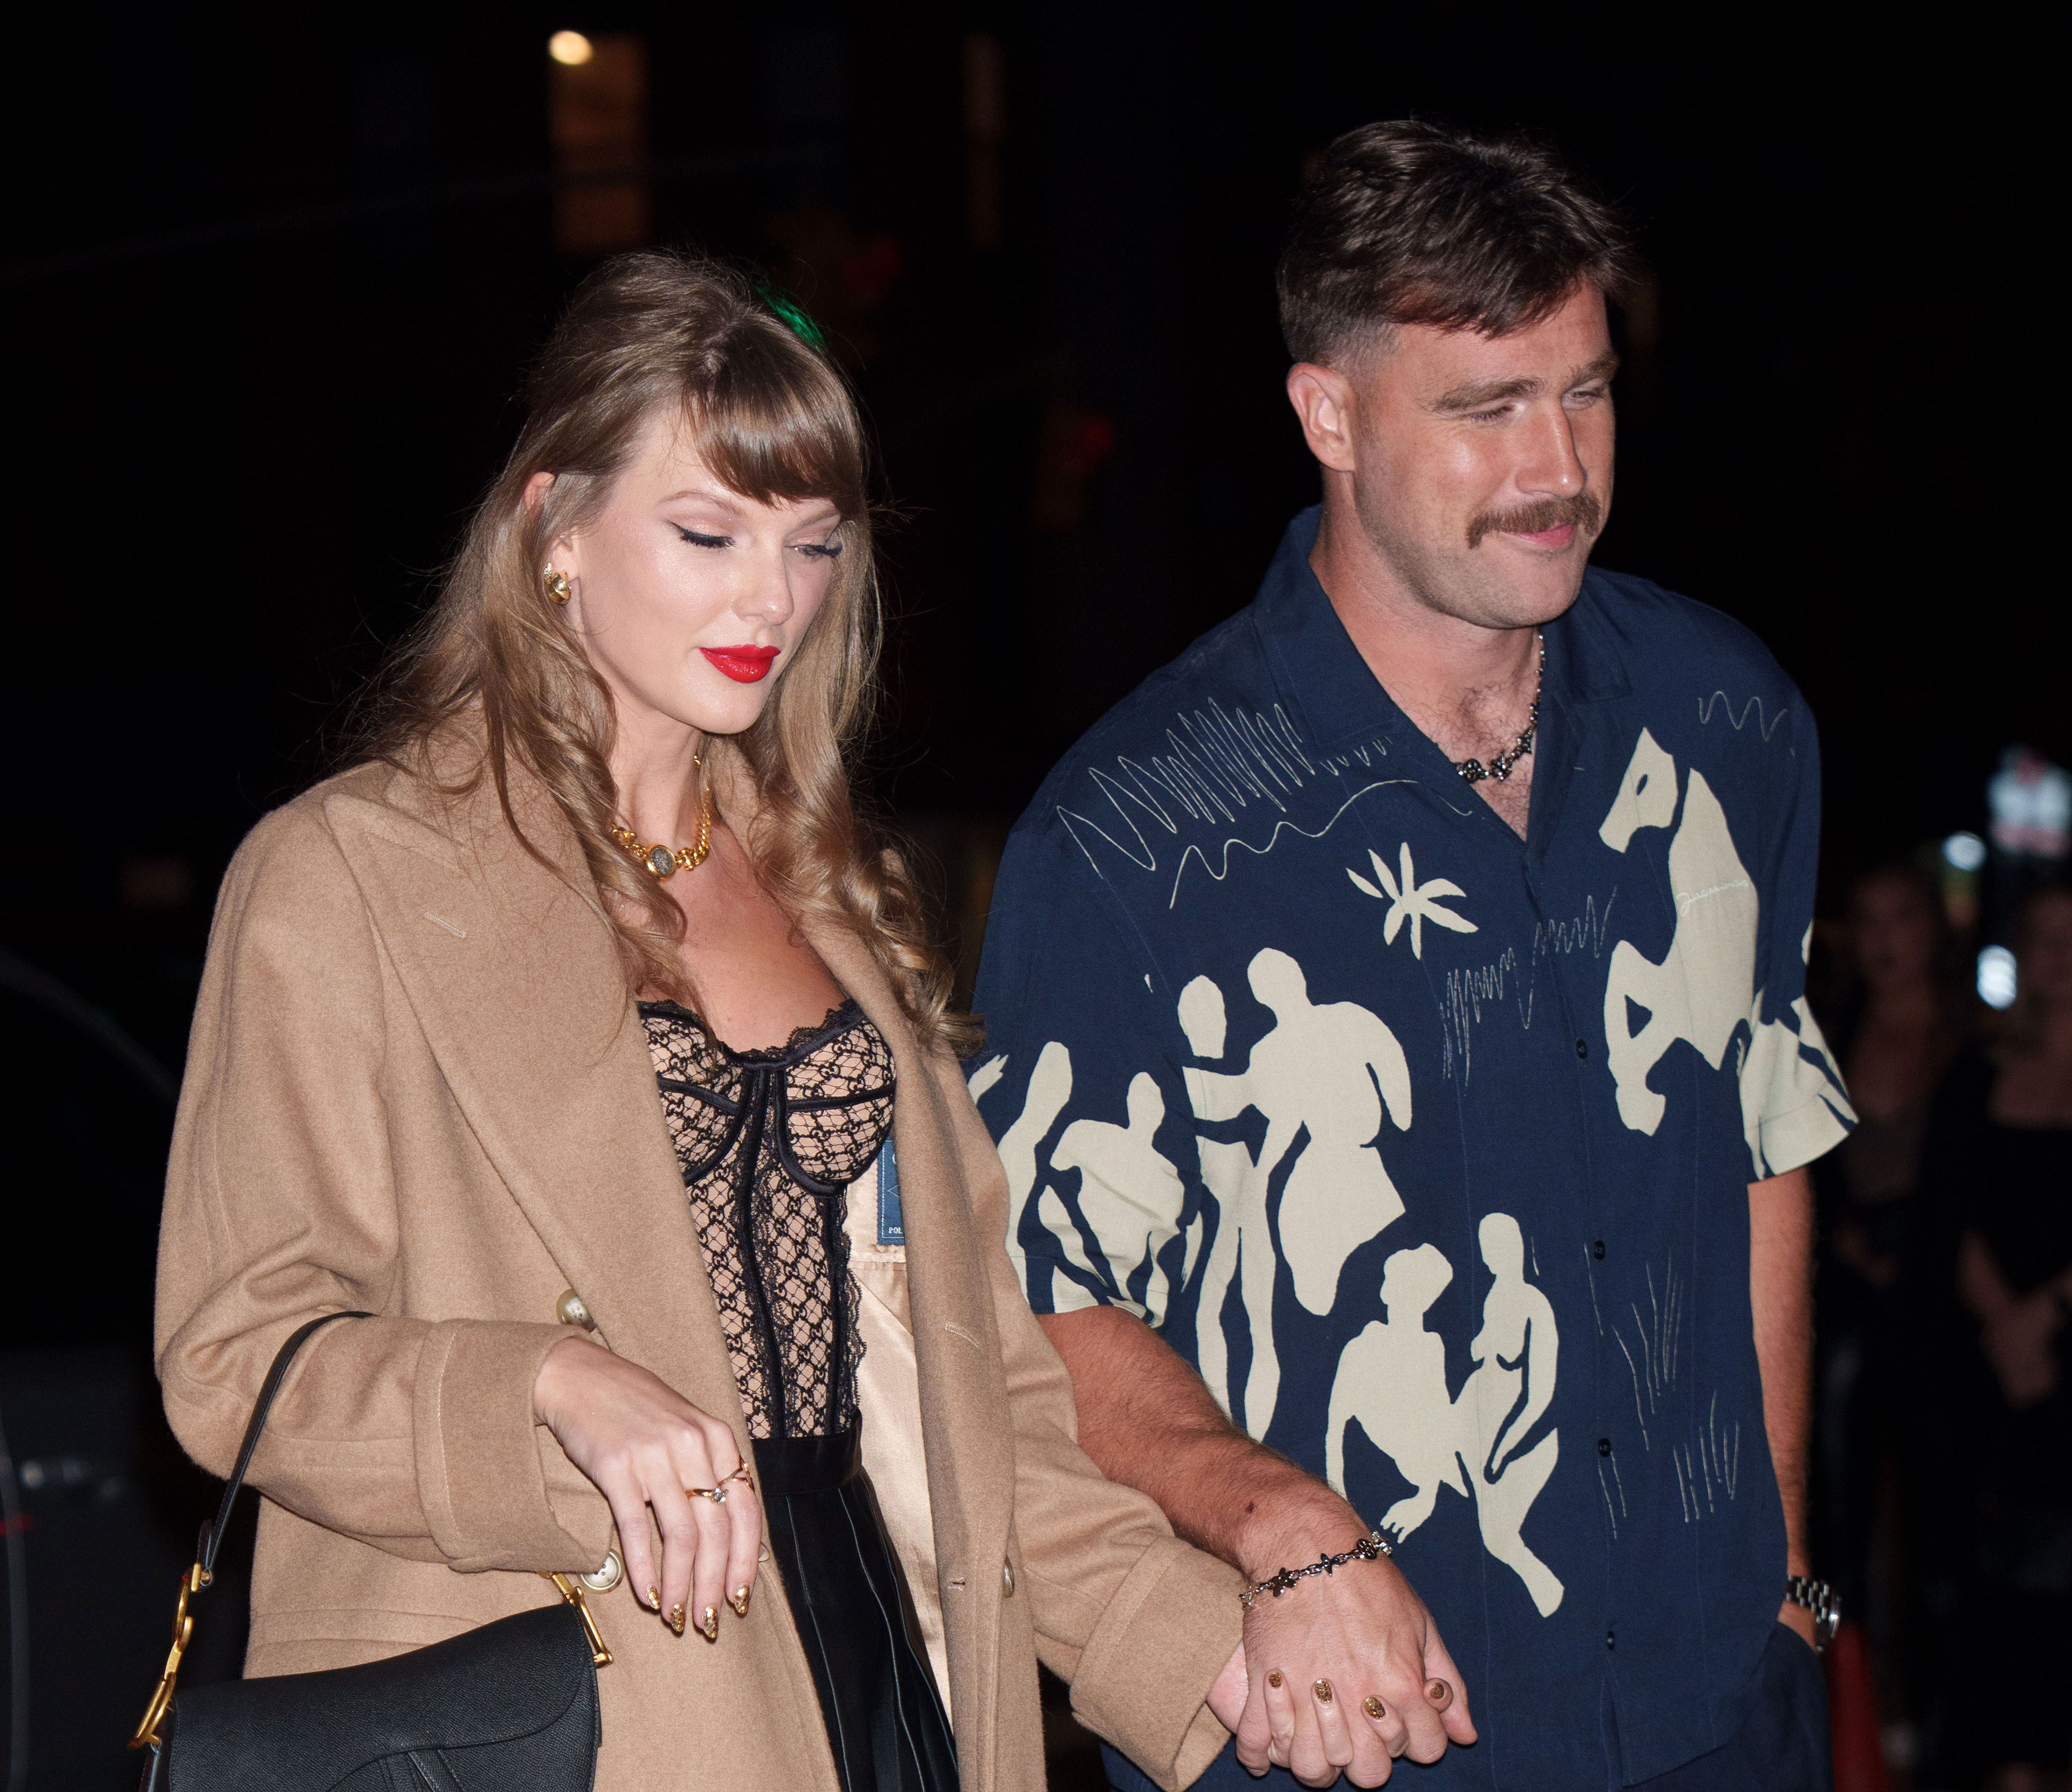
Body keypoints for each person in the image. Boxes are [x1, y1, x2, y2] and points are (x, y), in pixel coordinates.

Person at [153, 252, 1249, 1792]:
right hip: (563, 1686)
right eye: (705, 531)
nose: (769, 599)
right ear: (554, 527)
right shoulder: (349, 878)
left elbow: (979, 1396)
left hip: (879, 1656)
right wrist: (545, 1382)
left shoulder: (836, 898)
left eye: (810, 546)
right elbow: (236, 1351)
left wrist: (1206, 1650)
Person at [971, 122, 1855, 1790]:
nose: (1559, 468)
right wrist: (1279, 1515)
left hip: (1722, 1714)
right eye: (1484, 409)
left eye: (1585, 390)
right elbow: (1038, 1301)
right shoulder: (1137, 835)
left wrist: (1790, 1589)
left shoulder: (1728, 718)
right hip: (1353, 1744)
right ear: (1329, 414)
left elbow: (1763, 1141)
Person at [1911, 884, 2072, 1789]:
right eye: (2043, 938)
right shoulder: (1976, 1073)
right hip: (1989, 1360)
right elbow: (1948, 1210)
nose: (2058, 955)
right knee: (1997, 1575)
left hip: (2061, 1347)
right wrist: (2003, 1320)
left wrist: (2045, 1311)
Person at [1808, 862, 1964, 1691]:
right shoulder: (1825, 1037)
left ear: (1933, 928)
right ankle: (1848, 1708)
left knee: (1946, 1519)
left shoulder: (1972, 1042)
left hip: (1942, 1308)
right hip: (1843, 1301)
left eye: (1901, 917)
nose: (1883, 938)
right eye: (1867, 919)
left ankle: (1941, 1715)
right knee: (1837, 1512)